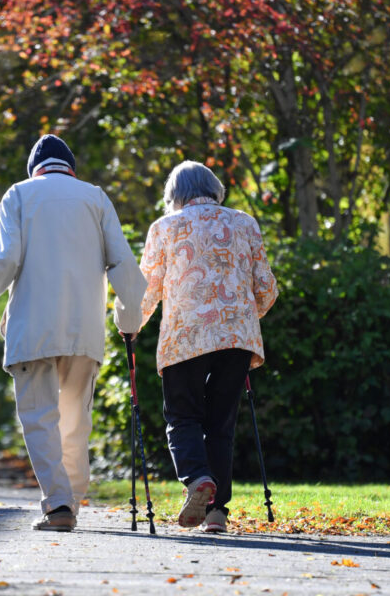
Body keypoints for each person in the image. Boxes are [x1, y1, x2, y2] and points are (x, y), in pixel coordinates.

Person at [0, 134, 147, 532]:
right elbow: (126, 269)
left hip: (33, 329)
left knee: (40, 419)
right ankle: (70, 500)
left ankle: (59, 504)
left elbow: (3, 260)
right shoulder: (95, 198)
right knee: (75, 420)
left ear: (34, 170)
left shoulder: (19, 195)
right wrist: (128, 321)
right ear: (71, 168)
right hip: (85, 329)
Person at [135, 160, 278, 533]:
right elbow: (266, 287)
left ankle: (198, 479)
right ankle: (217, 513)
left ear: (174, 196)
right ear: (215, 190)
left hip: (185, 335)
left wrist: (132, 326)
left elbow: (147, 288)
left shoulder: (165, 227)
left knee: (182, 416)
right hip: (237, 337)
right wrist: (244, 318)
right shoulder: (244, 222)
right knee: (221, 423)